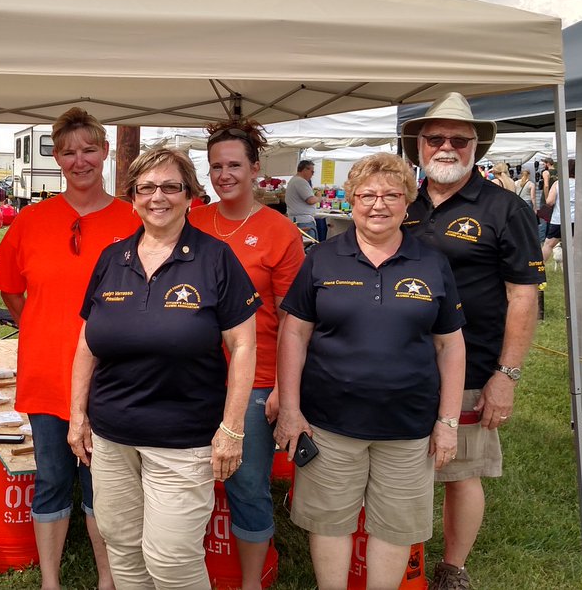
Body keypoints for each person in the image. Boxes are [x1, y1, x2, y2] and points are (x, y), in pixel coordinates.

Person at [68, 147, 260, 590]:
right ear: (133, 197)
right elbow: (86, 343)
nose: (158, 197)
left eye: (171, 187)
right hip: (112, 438)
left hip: (183, 440)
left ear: (190, 195)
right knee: (122, 546)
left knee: (171, 559)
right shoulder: (112, 258)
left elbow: (243, 345)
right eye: (147, 188)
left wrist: (232, 429)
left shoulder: (216, 258)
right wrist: (77, 415)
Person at [275, 152, 466, 588]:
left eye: (391, 195)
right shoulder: (322, 258)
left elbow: (450, 345)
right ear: (352, 201)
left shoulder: (431, 262)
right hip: (329, 423)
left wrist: (448, 422)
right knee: (329, 522)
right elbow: (294, 335)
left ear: (407, 202)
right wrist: (290, 409)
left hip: (408, 426)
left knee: (395, 527)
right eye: (367, 195)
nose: (378, 205)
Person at [400, 92, 545, 590]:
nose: (447, 147)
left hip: (471, 364)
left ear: (475, 148)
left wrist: (506, 376)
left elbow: (523, 297)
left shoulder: (505, 208)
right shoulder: (402, 202)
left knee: (461, 470)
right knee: (401, 464)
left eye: (459, 140)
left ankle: (452, 568)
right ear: (419, 146)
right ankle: (402, 557)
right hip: (399, 362)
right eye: (435, 138)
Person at [0, 106, 136, 590]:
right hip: (48, 372)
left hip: (112, 377)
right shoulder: (32, 219)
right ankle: (50, 580)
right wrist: (41, 323)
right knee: (51, 477)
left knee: (103, 484)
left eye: (89, 149)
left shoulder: (132, 218)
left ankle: (108, 579)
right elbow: (11, 288)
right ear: (56, 157)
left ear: (106, 151)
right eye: (69, 152)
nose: (80, 160)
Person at [188, 119, 305, 589]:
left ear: (256, 168)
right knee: (187, 478)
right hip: (193, 376)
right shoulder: (193, 220)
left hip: (256, 379)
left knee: (247, 484)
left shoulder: (280, 231)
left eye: (234, 165)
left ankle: (252, 580)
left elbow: (295, 319)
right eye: (216, 166)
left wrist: (282, 387)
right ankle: (188, 570)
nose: (224, 175)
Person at [542, 159, 576, 263]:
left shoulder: (558, 183)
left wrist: (546, 197)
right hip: (576, 219)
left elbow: (550, 202)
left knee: (548, 245)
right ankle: (573, 268)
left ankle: (538, 267)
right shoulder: (581, 183)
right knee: (573, 245)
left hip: (559, 219)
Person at [286, 159, 322, 242]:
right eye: (312, 172)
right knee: (309, 246)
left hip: (297, 219)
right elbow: (310, 200)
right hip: (303, 221)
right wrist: (319, 197)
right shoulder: (300, 182)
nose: (312, 174)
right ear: (305, 169)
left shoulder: (294, 180)